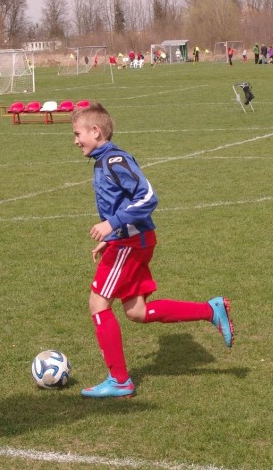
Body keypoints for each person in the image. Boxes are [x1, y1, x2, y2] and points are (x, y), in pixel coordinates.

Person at [70, 103, 234, 398]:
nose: (75, 141)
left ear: (96, 131)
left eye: (78, 133)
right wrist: (110, 234)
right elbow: (124, 204)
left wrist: (112, 226)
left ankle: (120, 381)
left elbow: (147, 196)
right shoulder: (103, 161)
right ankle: (211, 309)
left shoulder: (115, 160)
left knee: (98, 303)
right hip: (132, 240)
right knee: (137, 311)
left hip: (130, 244)